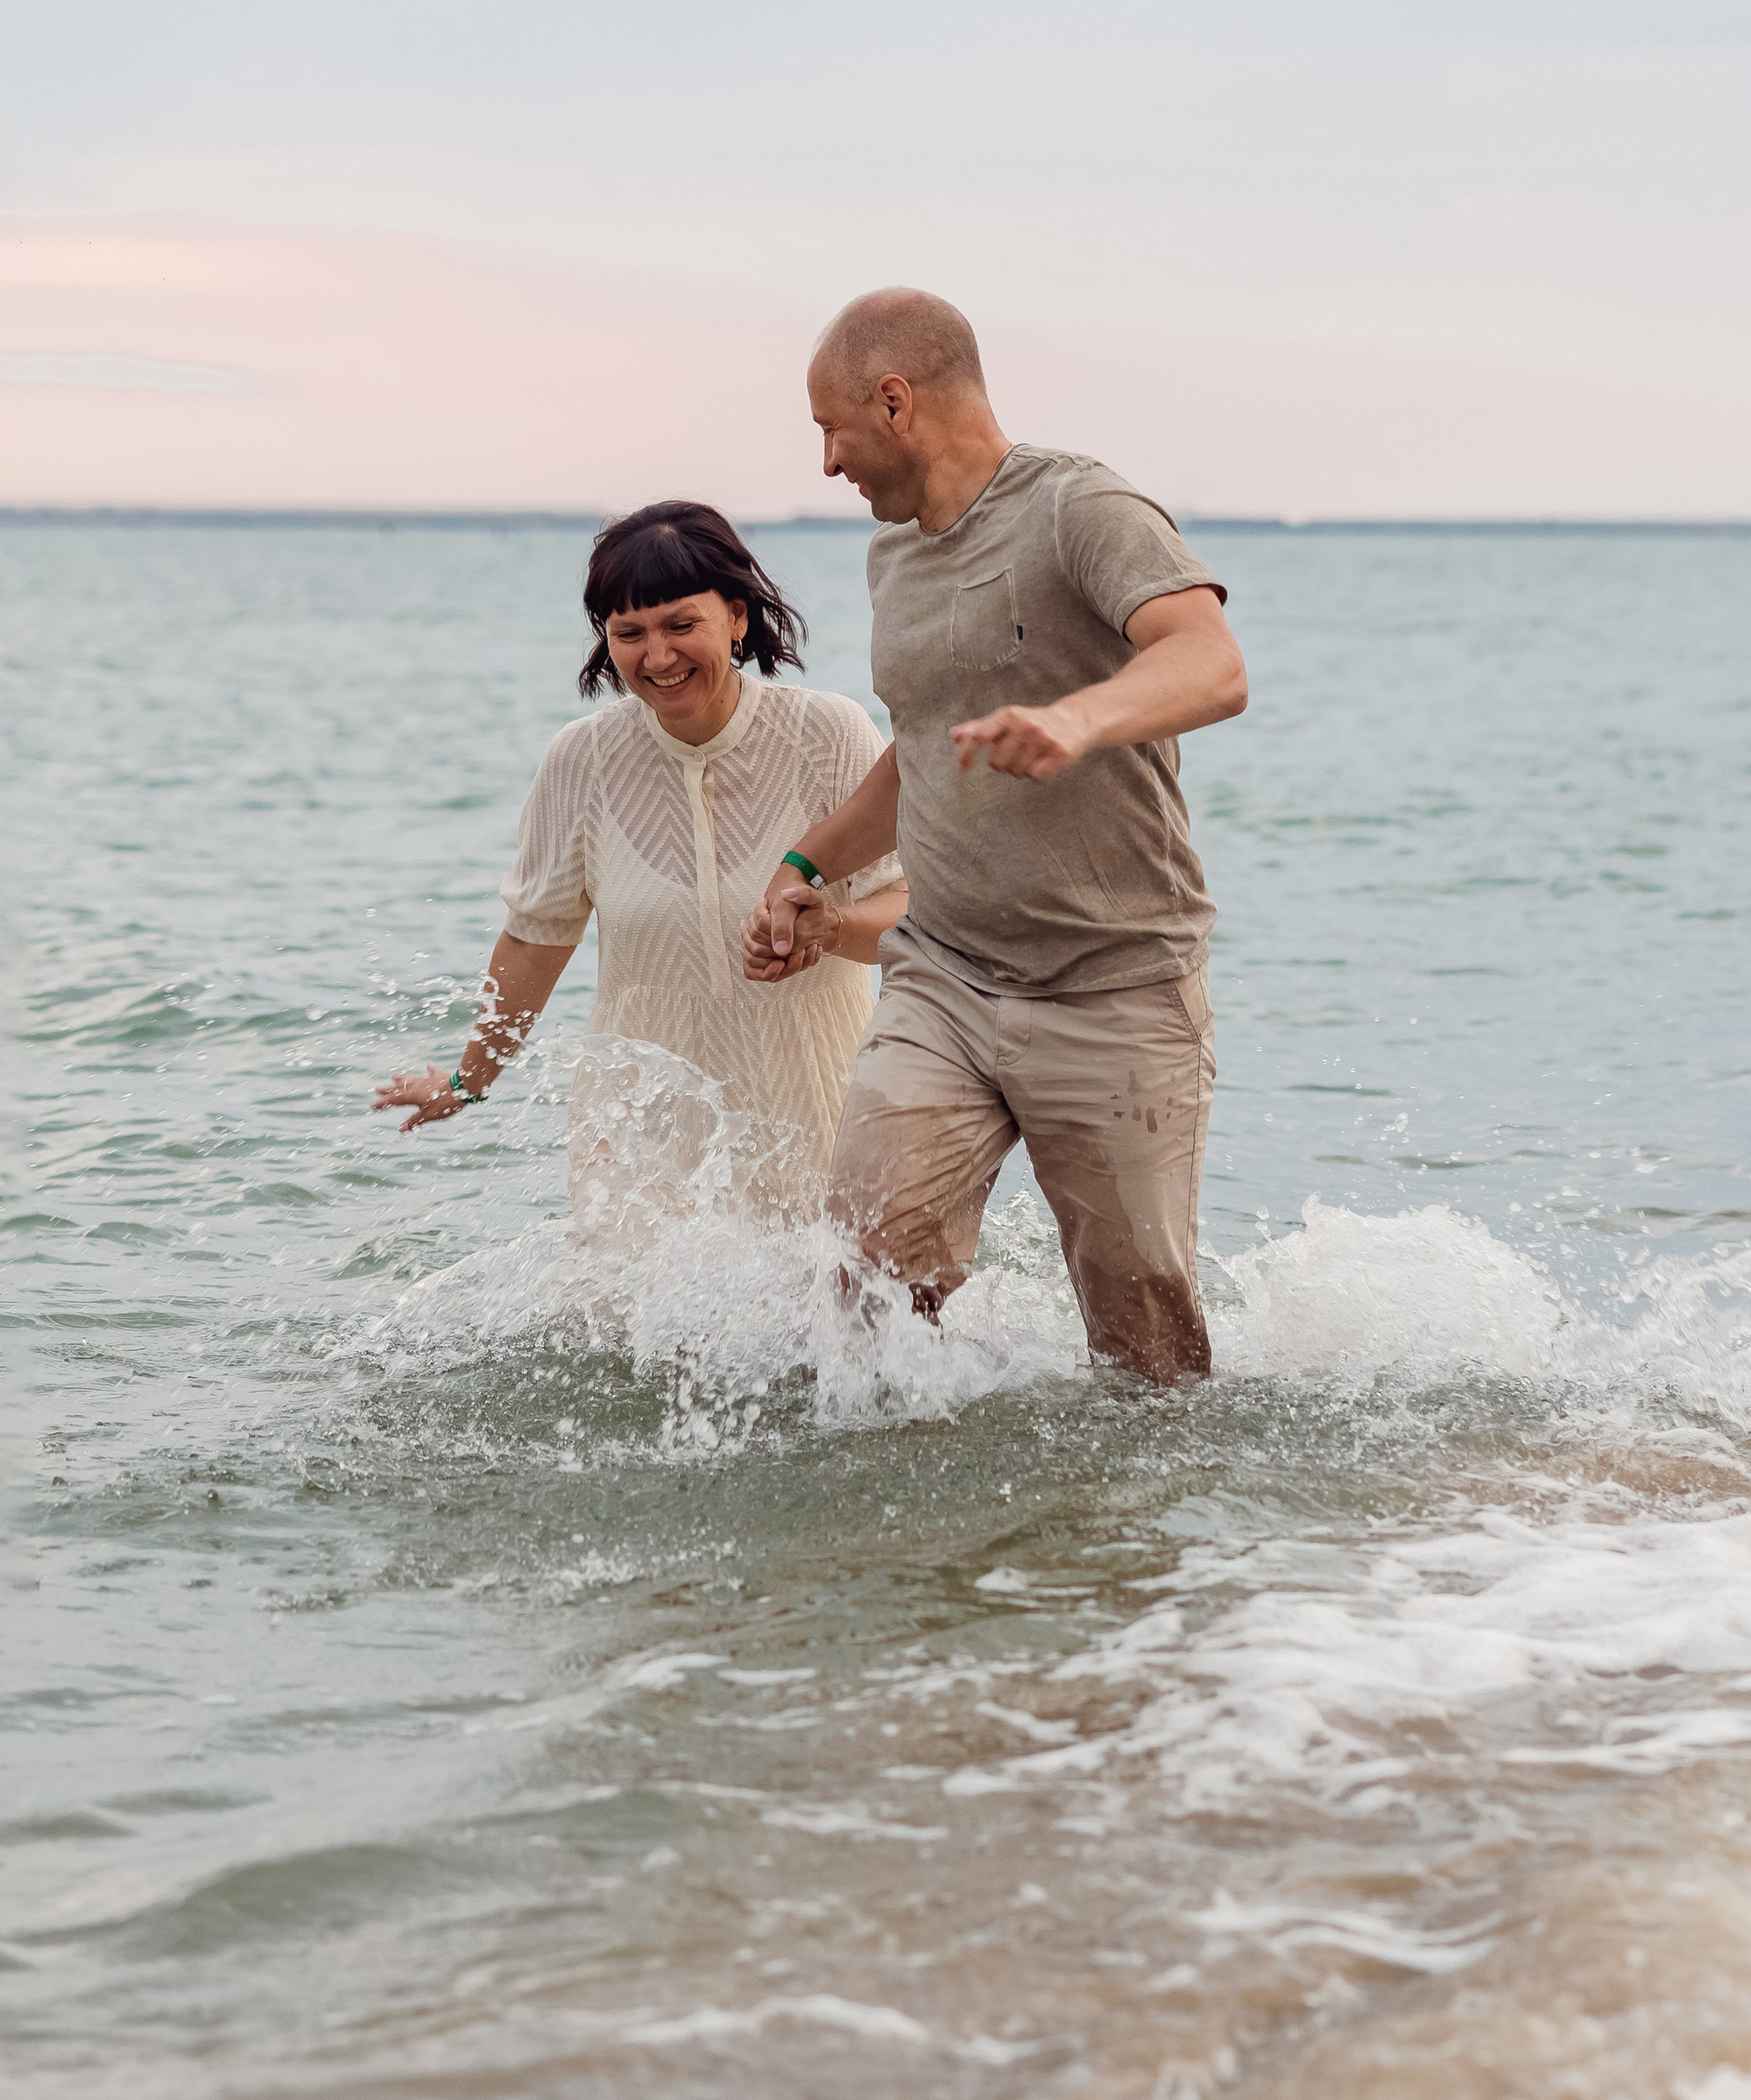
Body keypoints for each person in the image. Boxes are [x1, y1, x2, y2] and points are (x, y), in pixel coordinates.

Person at [741, 292, 1246, 1382]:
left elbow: (1211, 662)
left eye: (833, 428)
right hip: (945, 981)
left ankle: (1128, 1549)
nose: (829, 462)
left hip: (1114, 986)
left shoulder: (1082, 508)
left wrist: (1075, 719)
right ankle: (906, 1536)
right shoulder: (895, 559)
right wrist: (805, 862)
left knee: (1145, 1348)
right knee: (863, 1281)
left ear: (896, 401)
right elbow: (918, 749)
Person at [374, 503, 905, 1221]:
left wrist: (830, 928)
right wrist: (468, 1085)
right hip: (639, 1147)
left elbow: (912, 912)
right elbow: (536, 938)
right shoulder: (582, 760)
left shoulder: (829, 734)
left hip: (817, 1119)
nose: (657, 658)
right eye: (630, 634)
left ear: (738, 617)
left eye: (682, 625)